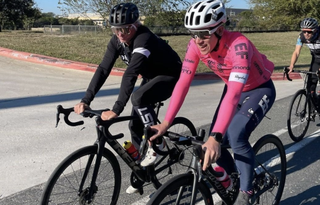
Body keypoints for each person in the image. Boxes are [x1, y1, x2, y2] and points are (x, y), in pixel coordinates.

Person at [149, 0, 276, 204]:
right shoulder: (195, 45)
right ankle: (235, 177)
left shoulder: (239, 46)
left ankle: (247, 192)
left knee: (234, 135)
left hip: (259, 89)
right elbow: (183, 83)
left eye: (204, 33)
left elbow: (234, 95)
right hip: (234, 88)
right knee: (214, 140)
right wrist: (166, 122)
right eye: (194, 33)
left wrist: (217, 137)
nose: (198, 40)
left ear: (220, 29)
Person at [73, 2, 182, 194]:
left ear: (135, 25)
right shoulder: (117, 40)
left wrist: (116, 109)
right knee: (134, 126)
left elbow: (130, 74)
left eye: (124, 29)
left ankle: (157, 141)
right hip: (150, 76)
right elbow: (103, 69)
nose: (120, 34)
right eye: (116, 30)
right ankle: (144, 171)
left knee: (138, 98)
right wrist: (86, 99)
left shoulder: (144, 38)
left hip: (170, 74)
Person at [288, 17, 320, 109]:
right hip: (316, 59)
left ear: (315, 30)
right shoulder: (301, 37)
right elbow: (296, 52)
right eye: (304, 31)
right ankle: (313, 105)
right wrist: (291, 65)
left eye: (309, 32)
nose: (306, 34)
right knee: (310, 85)